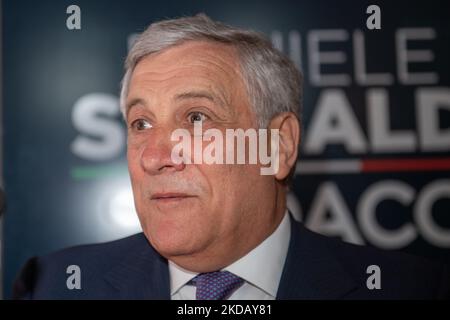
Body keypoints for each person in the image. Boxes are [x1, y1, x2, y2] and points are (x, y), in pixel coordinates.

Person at [13, 14, 449, 300]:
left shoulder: (411, 289)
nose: (156, 157)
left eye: (197, 118)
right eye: (141, 124)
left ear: (277, 147)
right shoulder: (54, 285)